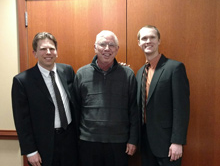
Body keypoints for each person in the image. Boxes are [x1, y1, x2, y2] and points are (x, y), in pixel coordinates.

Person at [11, 32, 79, 166]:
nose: (48, 52)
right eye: (43, 49)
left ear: (56, 52)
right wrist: (30, 151)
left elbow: (76, 103)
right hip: (44, 145)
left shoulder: (67, 71)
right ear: (34, 53)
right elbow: (21, 120)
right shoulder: (22, 81)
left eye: (52, 48)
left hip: (70, 140)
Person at [73, 30, 138, 166]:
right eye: (103, 44)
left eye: (112, 45)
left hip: (119, 143)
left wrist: (133, 140)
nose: (107, 49)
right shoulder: (81, 74)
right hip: (88, 142)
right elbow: (76, 110)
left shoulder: (128, 75)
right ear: (95, 47)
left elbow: (134, 110)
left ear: (117, 49)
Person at [136, 25, 190, 166]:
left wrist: (177, 141)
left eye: (152, 37)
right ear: (139, 43)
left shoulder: (174, 68)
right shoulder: (140, 71)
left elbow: (181, 108)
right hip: (145, 143)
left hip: (168, 144)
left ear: (159, 41)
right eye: (144, 38)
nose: (148, 41)